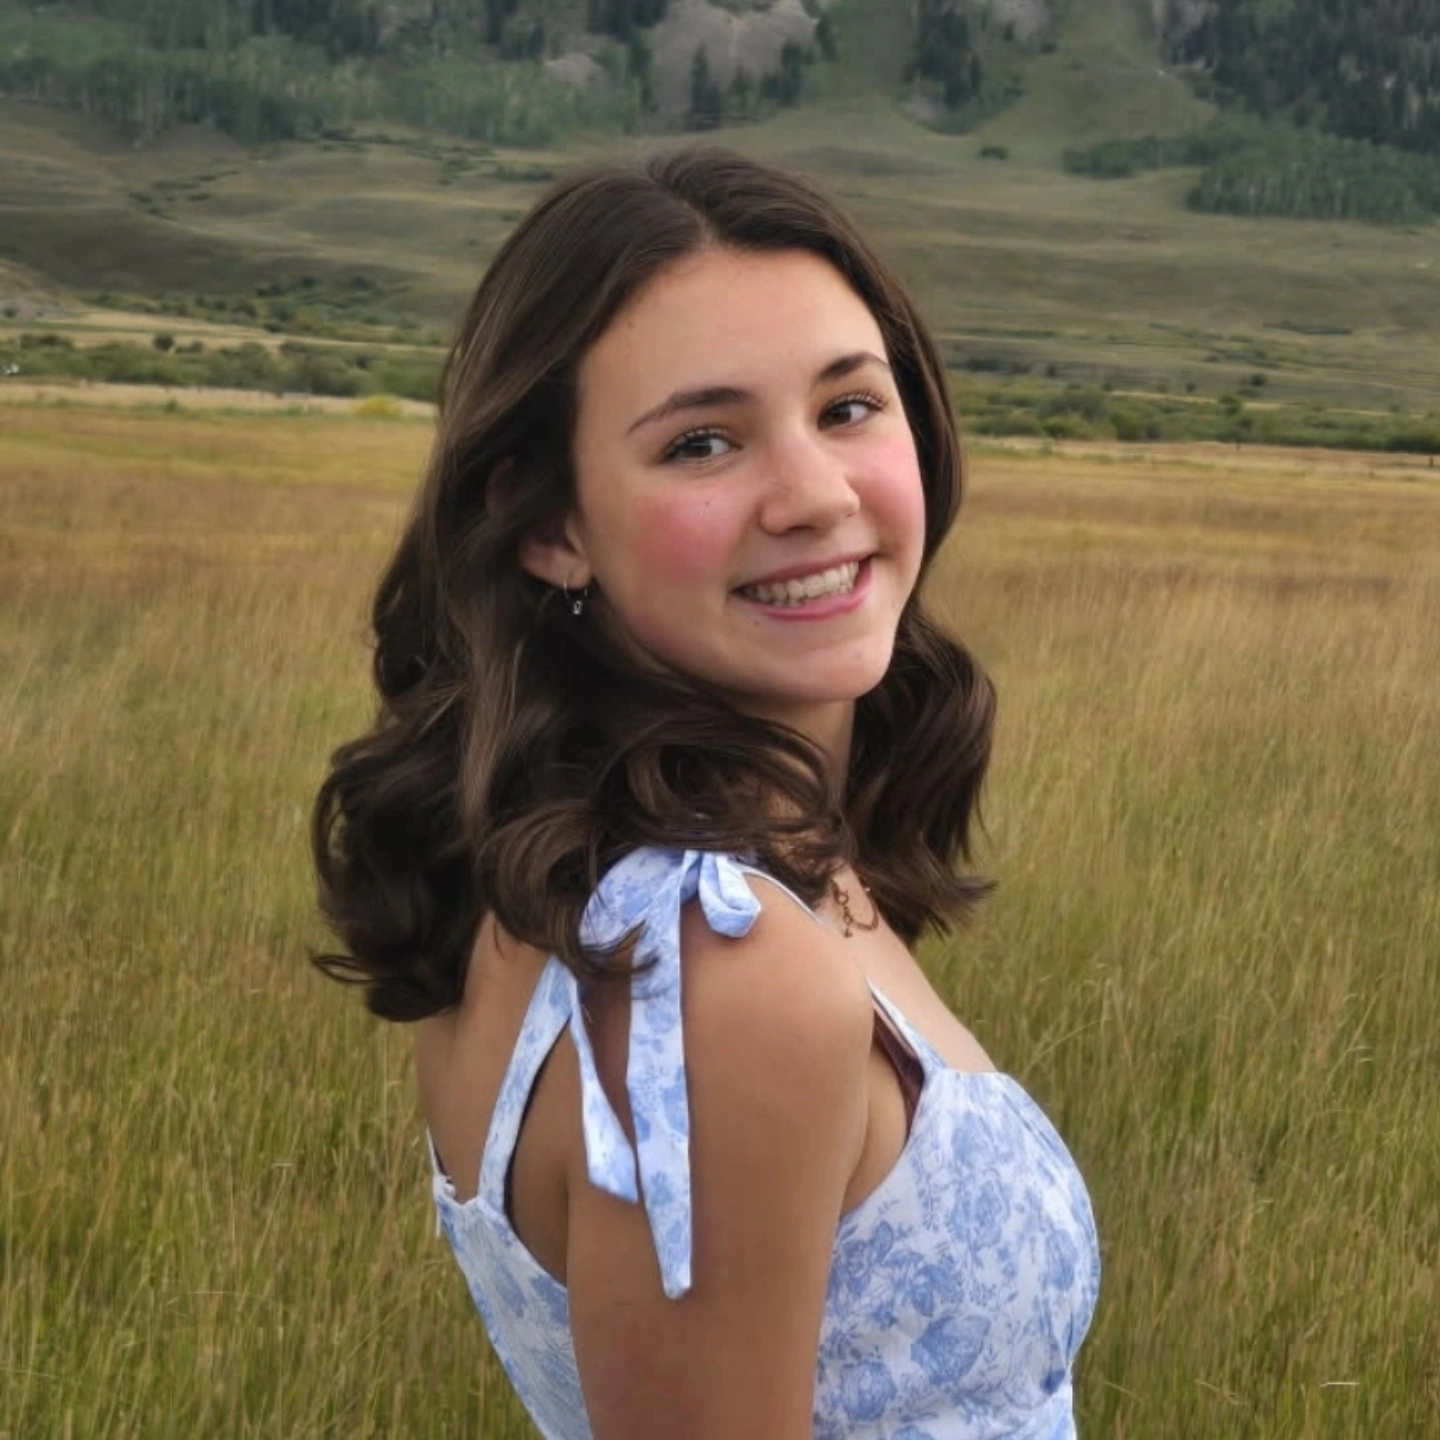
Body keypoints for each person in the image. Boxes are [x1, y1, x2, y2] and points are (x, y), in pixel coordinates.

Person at [311, 145, 1099, 1440]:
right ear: (550, 524)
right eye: (703, 440)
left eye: (848, 407)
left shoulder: (580, 880)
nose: (814, 495)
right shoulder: (716, 964)